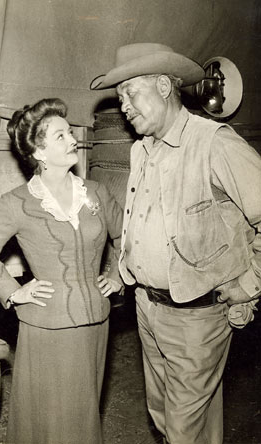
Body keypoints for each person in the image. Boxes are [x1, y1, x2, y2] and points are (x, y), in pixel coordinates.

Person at [90, 42, 261, 444]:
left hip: (198, 315)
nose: (124, 106)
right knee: (167, 415)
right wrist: (125, 267)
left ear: (165, 87)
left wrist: (250, 284)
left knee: (184, 428)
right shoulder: (141, 150)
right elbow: (142, 222)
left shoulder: (214, 143)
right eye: (120, 98)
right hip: (148, 308)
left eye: (131, 93)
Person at [0, 98, 123, 444]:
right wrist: (13, 290)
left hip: (97, 322)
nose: (72, 140)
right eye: (60, 136)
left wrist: (117, 274)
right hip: (47, 326)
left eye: (70, 132)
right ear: (39, 152)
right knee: (56, 421)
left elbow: (125, 236)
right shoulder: (17, 203)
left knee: (84, 411)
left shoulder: (96, 192)